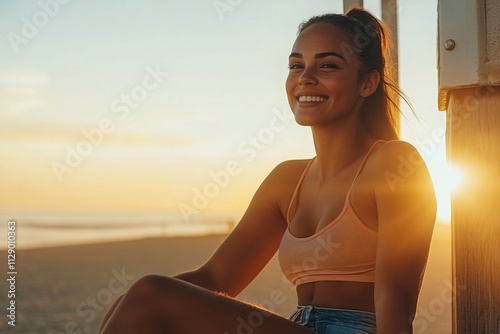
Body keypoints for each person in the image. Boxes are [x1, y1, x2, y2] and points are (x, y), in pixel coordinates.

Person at [99, 7, 436, 334]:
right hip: (297, 324)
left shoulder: (394, 164)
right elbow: (216, 279)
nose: (305, 78)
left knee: (149, 295)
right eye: (296, 65)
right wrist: (131, 303)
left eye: (328, 65)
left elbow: (397, 300)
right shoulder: (286, 181)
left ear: (367, 83)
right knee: (133, 302)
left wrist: (147, 299)